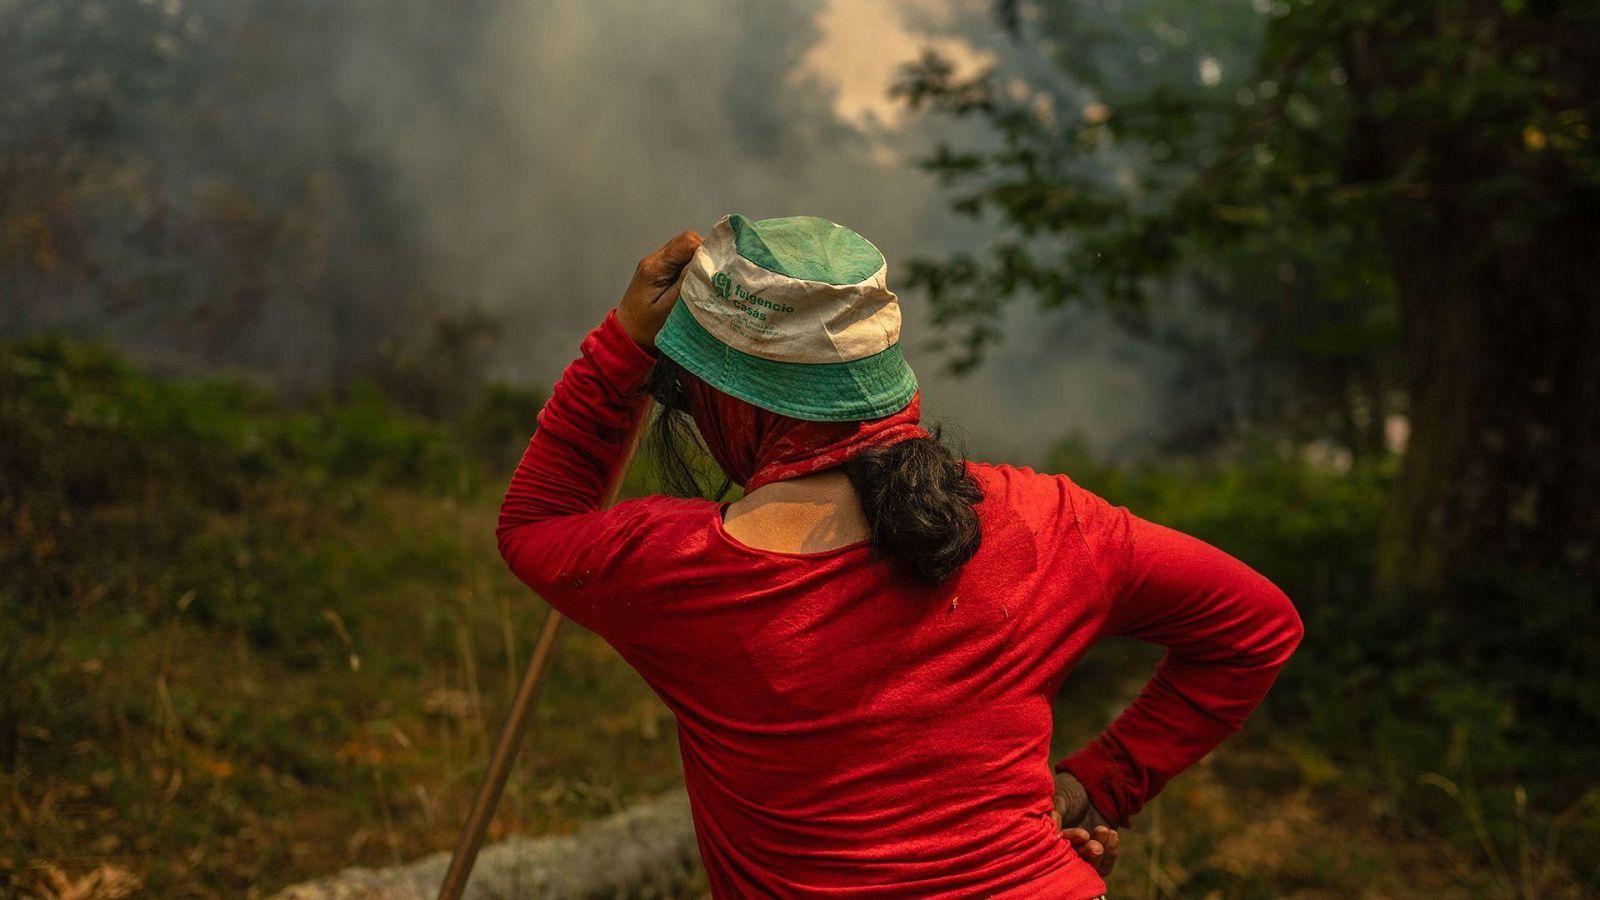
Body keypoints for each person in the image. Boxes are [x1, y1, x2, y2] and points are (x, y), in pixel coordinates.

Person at [498, 215, 1304, 898]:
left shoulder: (670, 569)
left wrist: (622, 344)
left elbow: (534, 520)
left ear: (728, 398)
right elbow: (1257, 626)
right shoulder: (1046, 523)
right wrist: (1092, 789)